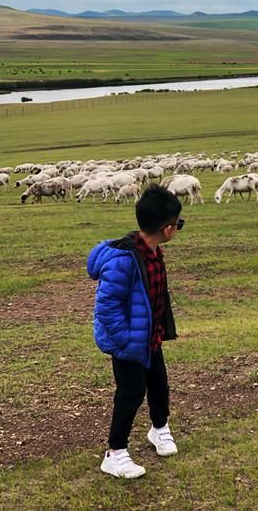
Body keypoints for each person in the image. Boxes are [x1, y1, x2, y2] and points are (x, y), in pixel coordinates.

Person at [87, 184, 185, 478]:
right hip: (130, 342)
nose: (179, 229)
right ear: (167, 229)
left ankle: (159, 429)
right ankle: (114, 453)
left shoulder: (153, 253)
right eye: (179, 224)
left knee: (158, 384)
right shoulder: (123, 261)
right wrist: (126, 340)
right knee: (130, 393)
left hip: (149, 337)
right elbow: (107, 308)